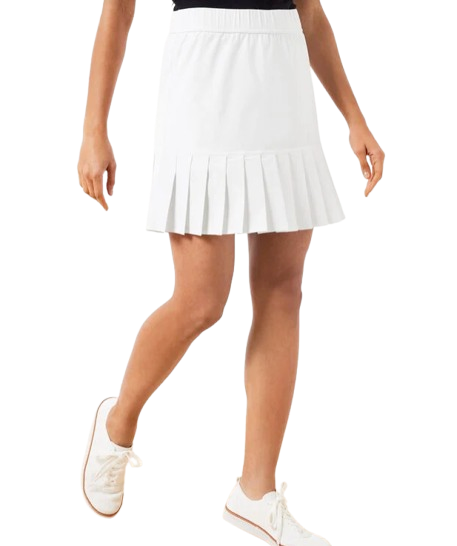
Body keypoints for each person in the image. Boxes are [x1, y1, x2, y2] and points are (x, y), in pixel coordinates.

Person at [78, 0, 385, 543]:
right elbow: (118, 11)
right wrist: (94, 128)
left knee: (283, 291)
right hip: (203, 74)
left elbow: (312, 14)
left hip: (281, 76)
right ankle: (117, 422)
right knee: (201, 298)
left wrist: (354, 118)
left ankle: (255, 493)